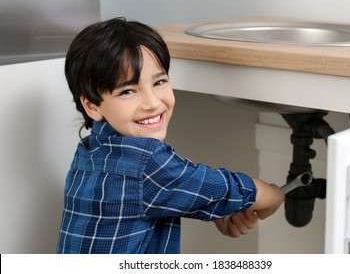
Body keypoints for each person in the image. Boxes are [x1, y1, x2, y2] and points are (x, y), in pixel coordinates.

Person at [56, 17, 284, 254]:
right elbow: (222, 188)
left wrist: (215, 210)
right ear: (92, 106)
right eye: (128, 91)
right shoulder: (146, 164)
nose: (152, 102)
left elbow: (163, 191)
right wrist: (273, 196)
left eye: (160, 81)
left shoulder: (89, 152)